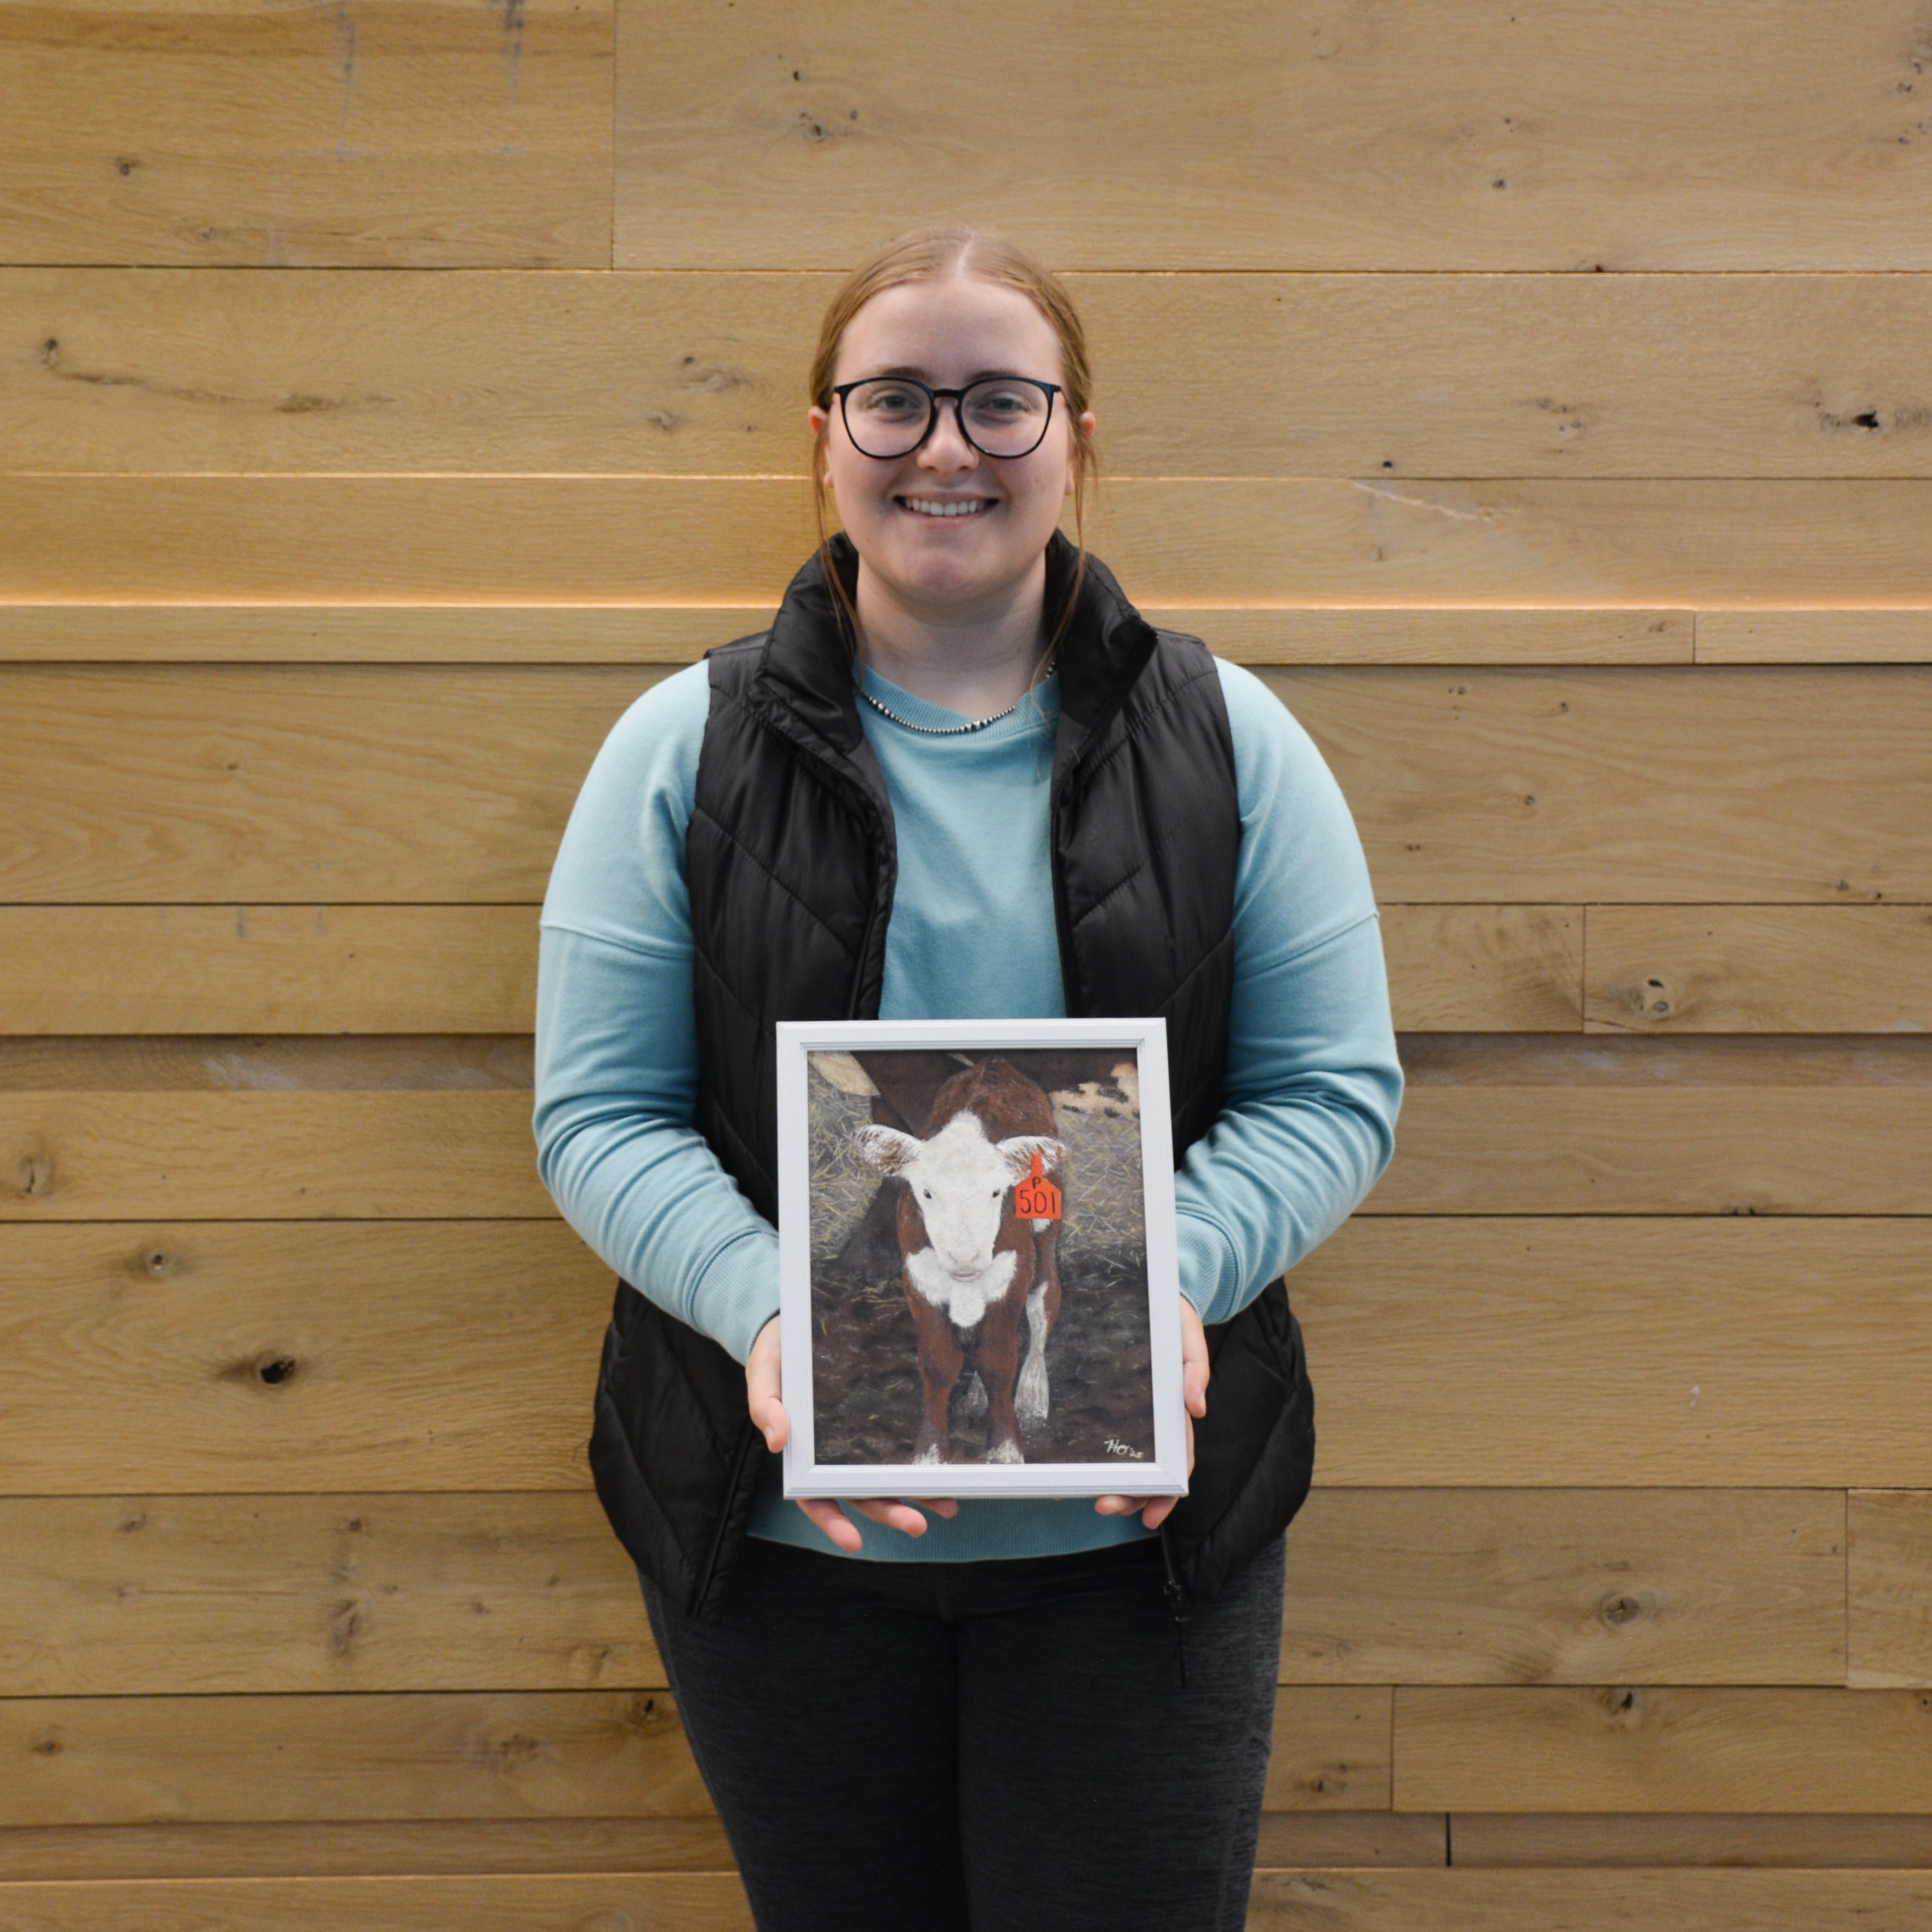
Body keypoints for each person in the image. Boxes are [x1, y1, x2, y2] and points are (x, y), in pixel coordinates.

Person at [534, 225, 1403, 1932]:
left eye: (1004, 402)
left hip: (1136, 1556)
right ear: (822, 438)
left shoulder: (1236, 742)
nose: (947, 446)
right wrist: (770, 1307)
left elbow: (1332, 1090)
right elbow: (597, 1115)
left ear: (1079, 437)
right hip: (776, 1546)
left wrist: (1162, 1279)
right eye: (896, 401)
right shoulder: (675, 748)